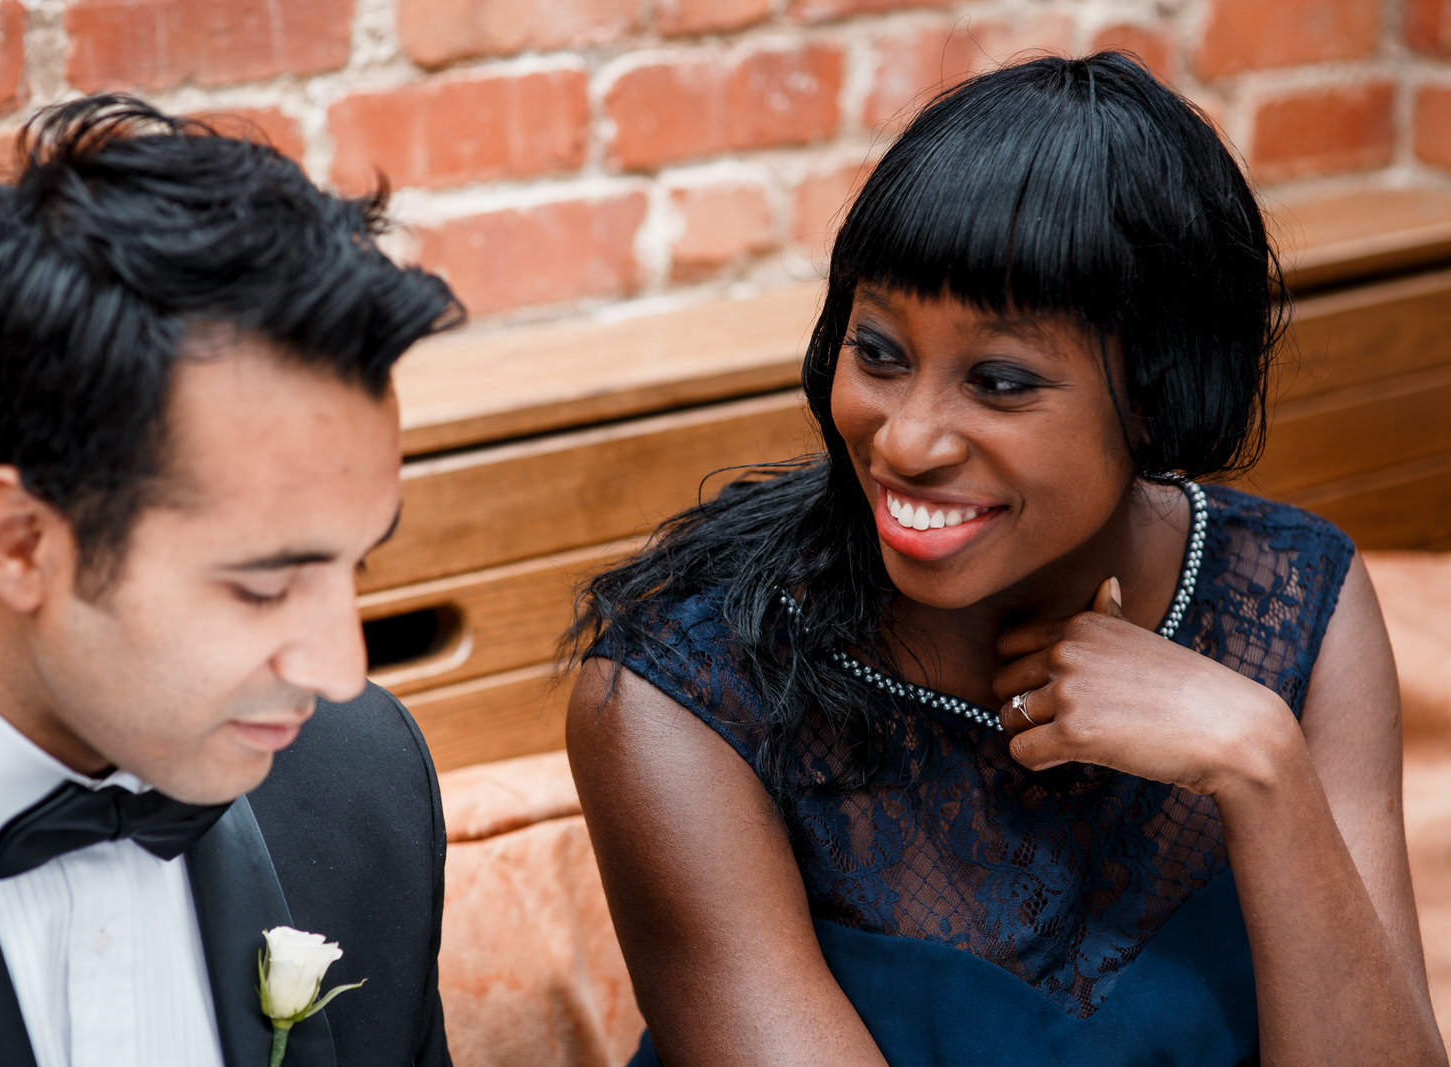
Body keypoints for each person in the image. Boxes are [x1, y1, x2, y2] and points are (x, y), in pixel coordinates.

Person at [566, 53, 1447, 1066]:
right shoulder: (684, 690)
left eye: (996, 380)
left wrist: (1257, 761)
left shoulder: (1293, 603)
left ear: (1154, 395)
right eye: (879, 352)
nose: (905, 440)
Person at [0, 97, 461, 1066]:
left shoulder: (360, 779)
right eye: (261, 588)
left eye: (356, 562)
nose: (341, 671)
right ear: (20, 542)